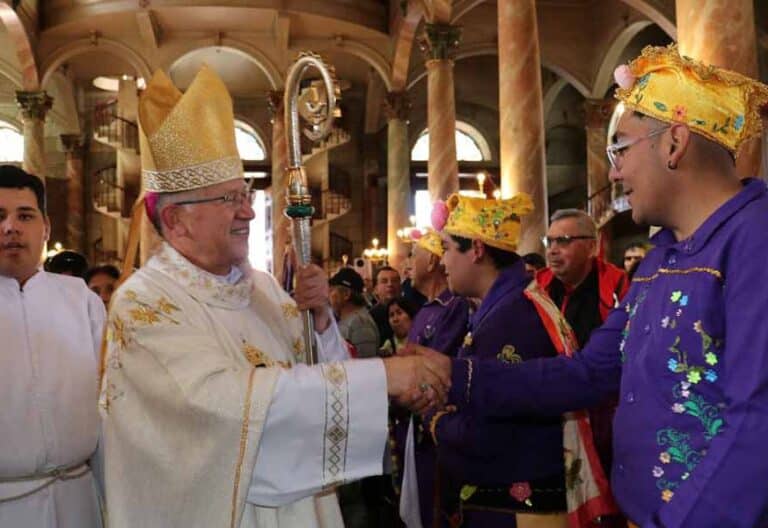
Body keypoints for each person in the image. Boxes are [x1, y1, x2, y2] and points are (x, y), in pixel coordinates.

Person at [421, 45, 768, 527]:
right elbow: (589, 372)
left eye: (620, 148)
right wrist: (453, 375)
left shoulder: (755, 238)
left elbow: (756, 421)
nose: (613, 171)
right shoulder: (659, 260)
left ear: (675, 143)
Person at [99, 65, 449, 528]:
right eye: (228, 200)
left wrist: (322, 321)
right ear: (178, 221)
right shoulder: (144, 303)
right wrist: (382, 377)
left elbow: (314, 372)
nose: (248, 210)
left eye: (244, 193)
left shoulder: (260, 287)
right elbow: (218, 404)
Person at [415, 193, 616, 528]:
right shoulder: (507, 304)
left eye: (448, 248)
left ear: (477, 250)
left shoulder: (512, 318)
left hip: (515, 508)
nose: (443, 262)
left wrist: (434, 418)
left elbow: (490, 433)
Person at [0, 165, 106, 527]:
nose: (10, 227)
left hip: (77, 499)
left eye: (24, 215)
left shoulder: (81, 300)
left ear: (46, 227)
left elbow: (110, 399)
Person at [538, 209, 629, 526]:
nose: (552, 250)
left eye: (563, 241)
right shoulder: (538, 289)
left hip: (606, 417)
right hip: (554, 413)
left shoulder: (618, 287)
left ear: (593, 246)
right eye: (550, 241)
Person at [398, 229, 472, 528]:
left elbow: (436, 363)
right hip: (415, 425)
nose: (407, 263)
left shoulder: (453, 306)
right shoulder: (427, 309)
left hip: (435, 424)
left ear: (431, 262)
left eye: (413, 255)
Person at [329, 267, 380, 358]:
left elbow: (365, 364)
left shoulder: (361, 323)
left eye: (332, 290)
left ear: (346, 294)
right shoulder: (349, 320)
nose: (329, 296)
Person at [370, 265, 402, 345]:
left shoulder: (411, 312)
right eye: (384, 281)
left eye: (394, 281)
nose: (390, 284)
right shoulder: (370, 318)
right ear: (375, 289)